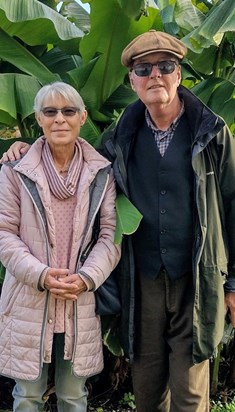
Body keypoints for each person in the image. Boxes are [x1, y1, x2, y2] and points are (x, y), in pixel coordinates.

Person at [2, 30, 235, 412]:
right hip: (140, 280)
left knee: (191, 390)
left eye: (165, 66)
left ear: (179, 75)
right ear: (133, 80)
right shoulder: (120, 137)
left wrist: (234, 282)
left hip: (196, 276)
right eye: (144, 69)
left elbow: (232, 203)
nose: (155, 75)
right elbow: (72, 154)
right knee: (146, 385)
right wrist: (26, 146)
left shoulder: (212, 133)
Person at [0, 81, 120, 412]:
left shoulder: (101, 173)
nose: (59, 119)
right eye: (50, 112)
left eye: (68, 111)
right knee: (27, 397)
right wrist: (40, 274)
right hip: (30, 298)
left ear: (82, 117)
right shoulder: (15, 170)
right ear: (38, 118)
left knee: (73, 396)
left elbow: (110, 234)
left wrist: (86, 277)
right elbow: (4, 232)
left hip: (77, 300)